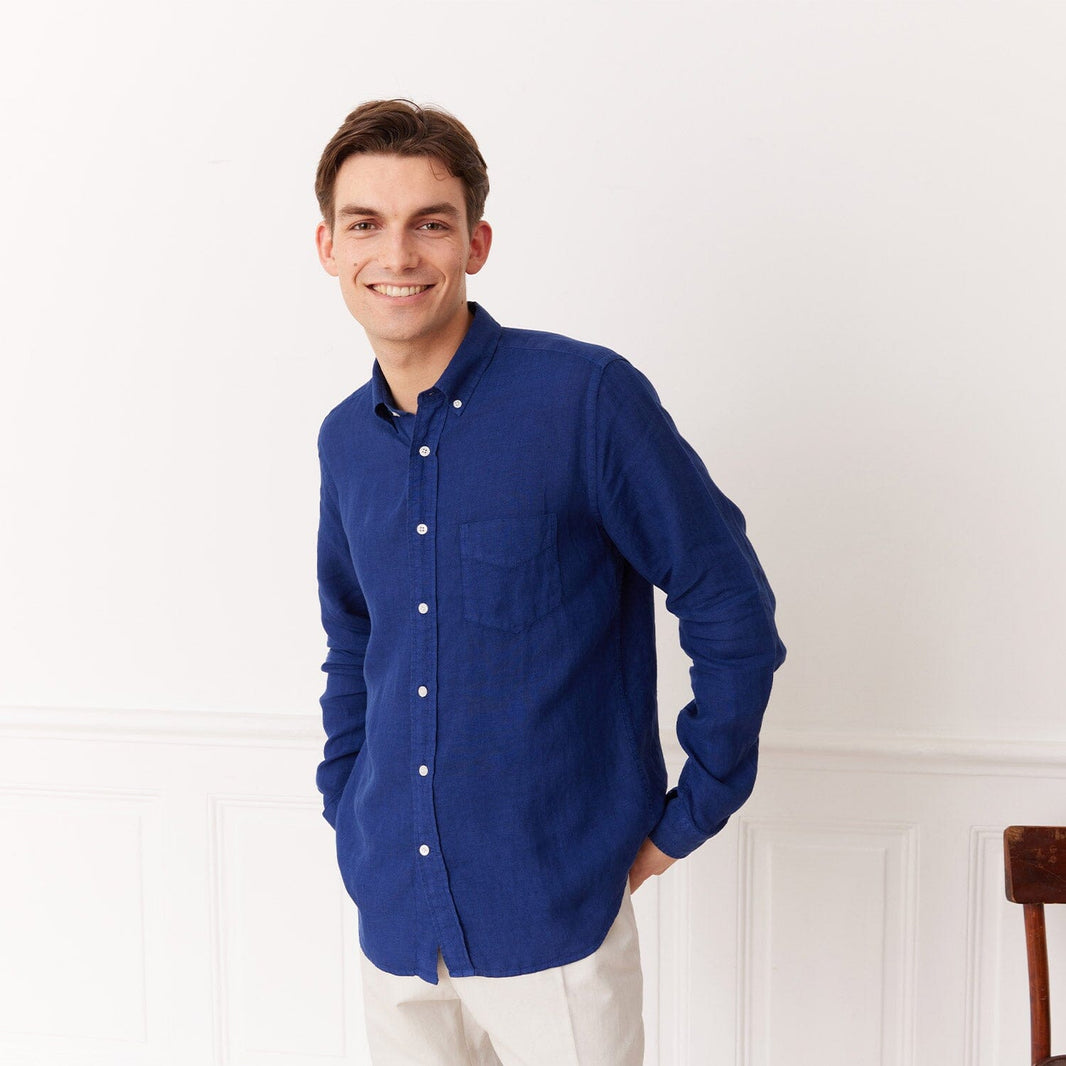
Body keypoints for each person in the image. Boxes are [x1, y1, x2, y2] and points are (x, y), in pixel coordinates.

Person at [313, 99, 785, 1066]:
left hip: (555, 922)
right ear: (328, 246)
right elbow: (354, 637)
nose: (396, 253)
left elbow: (729, 602)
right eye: (365, 223)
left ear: (475, 243)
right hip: (394, 920)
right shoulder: (345, 441)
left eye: (430, 222)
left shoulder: (585, 399)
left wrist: (688, 814)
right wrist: (347, 803)